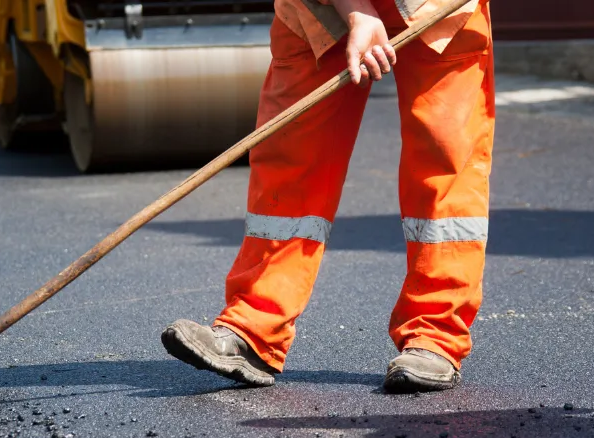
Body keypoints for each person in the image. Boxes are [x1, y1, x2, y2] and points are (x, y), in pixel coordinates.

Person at [161, 0, 494, 392]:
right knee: (291, 157)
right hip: (319, 10)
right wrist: (357, 12)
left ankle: (435, 336)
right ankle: (254, 328)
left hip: (439, 9)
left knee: (446, 160)